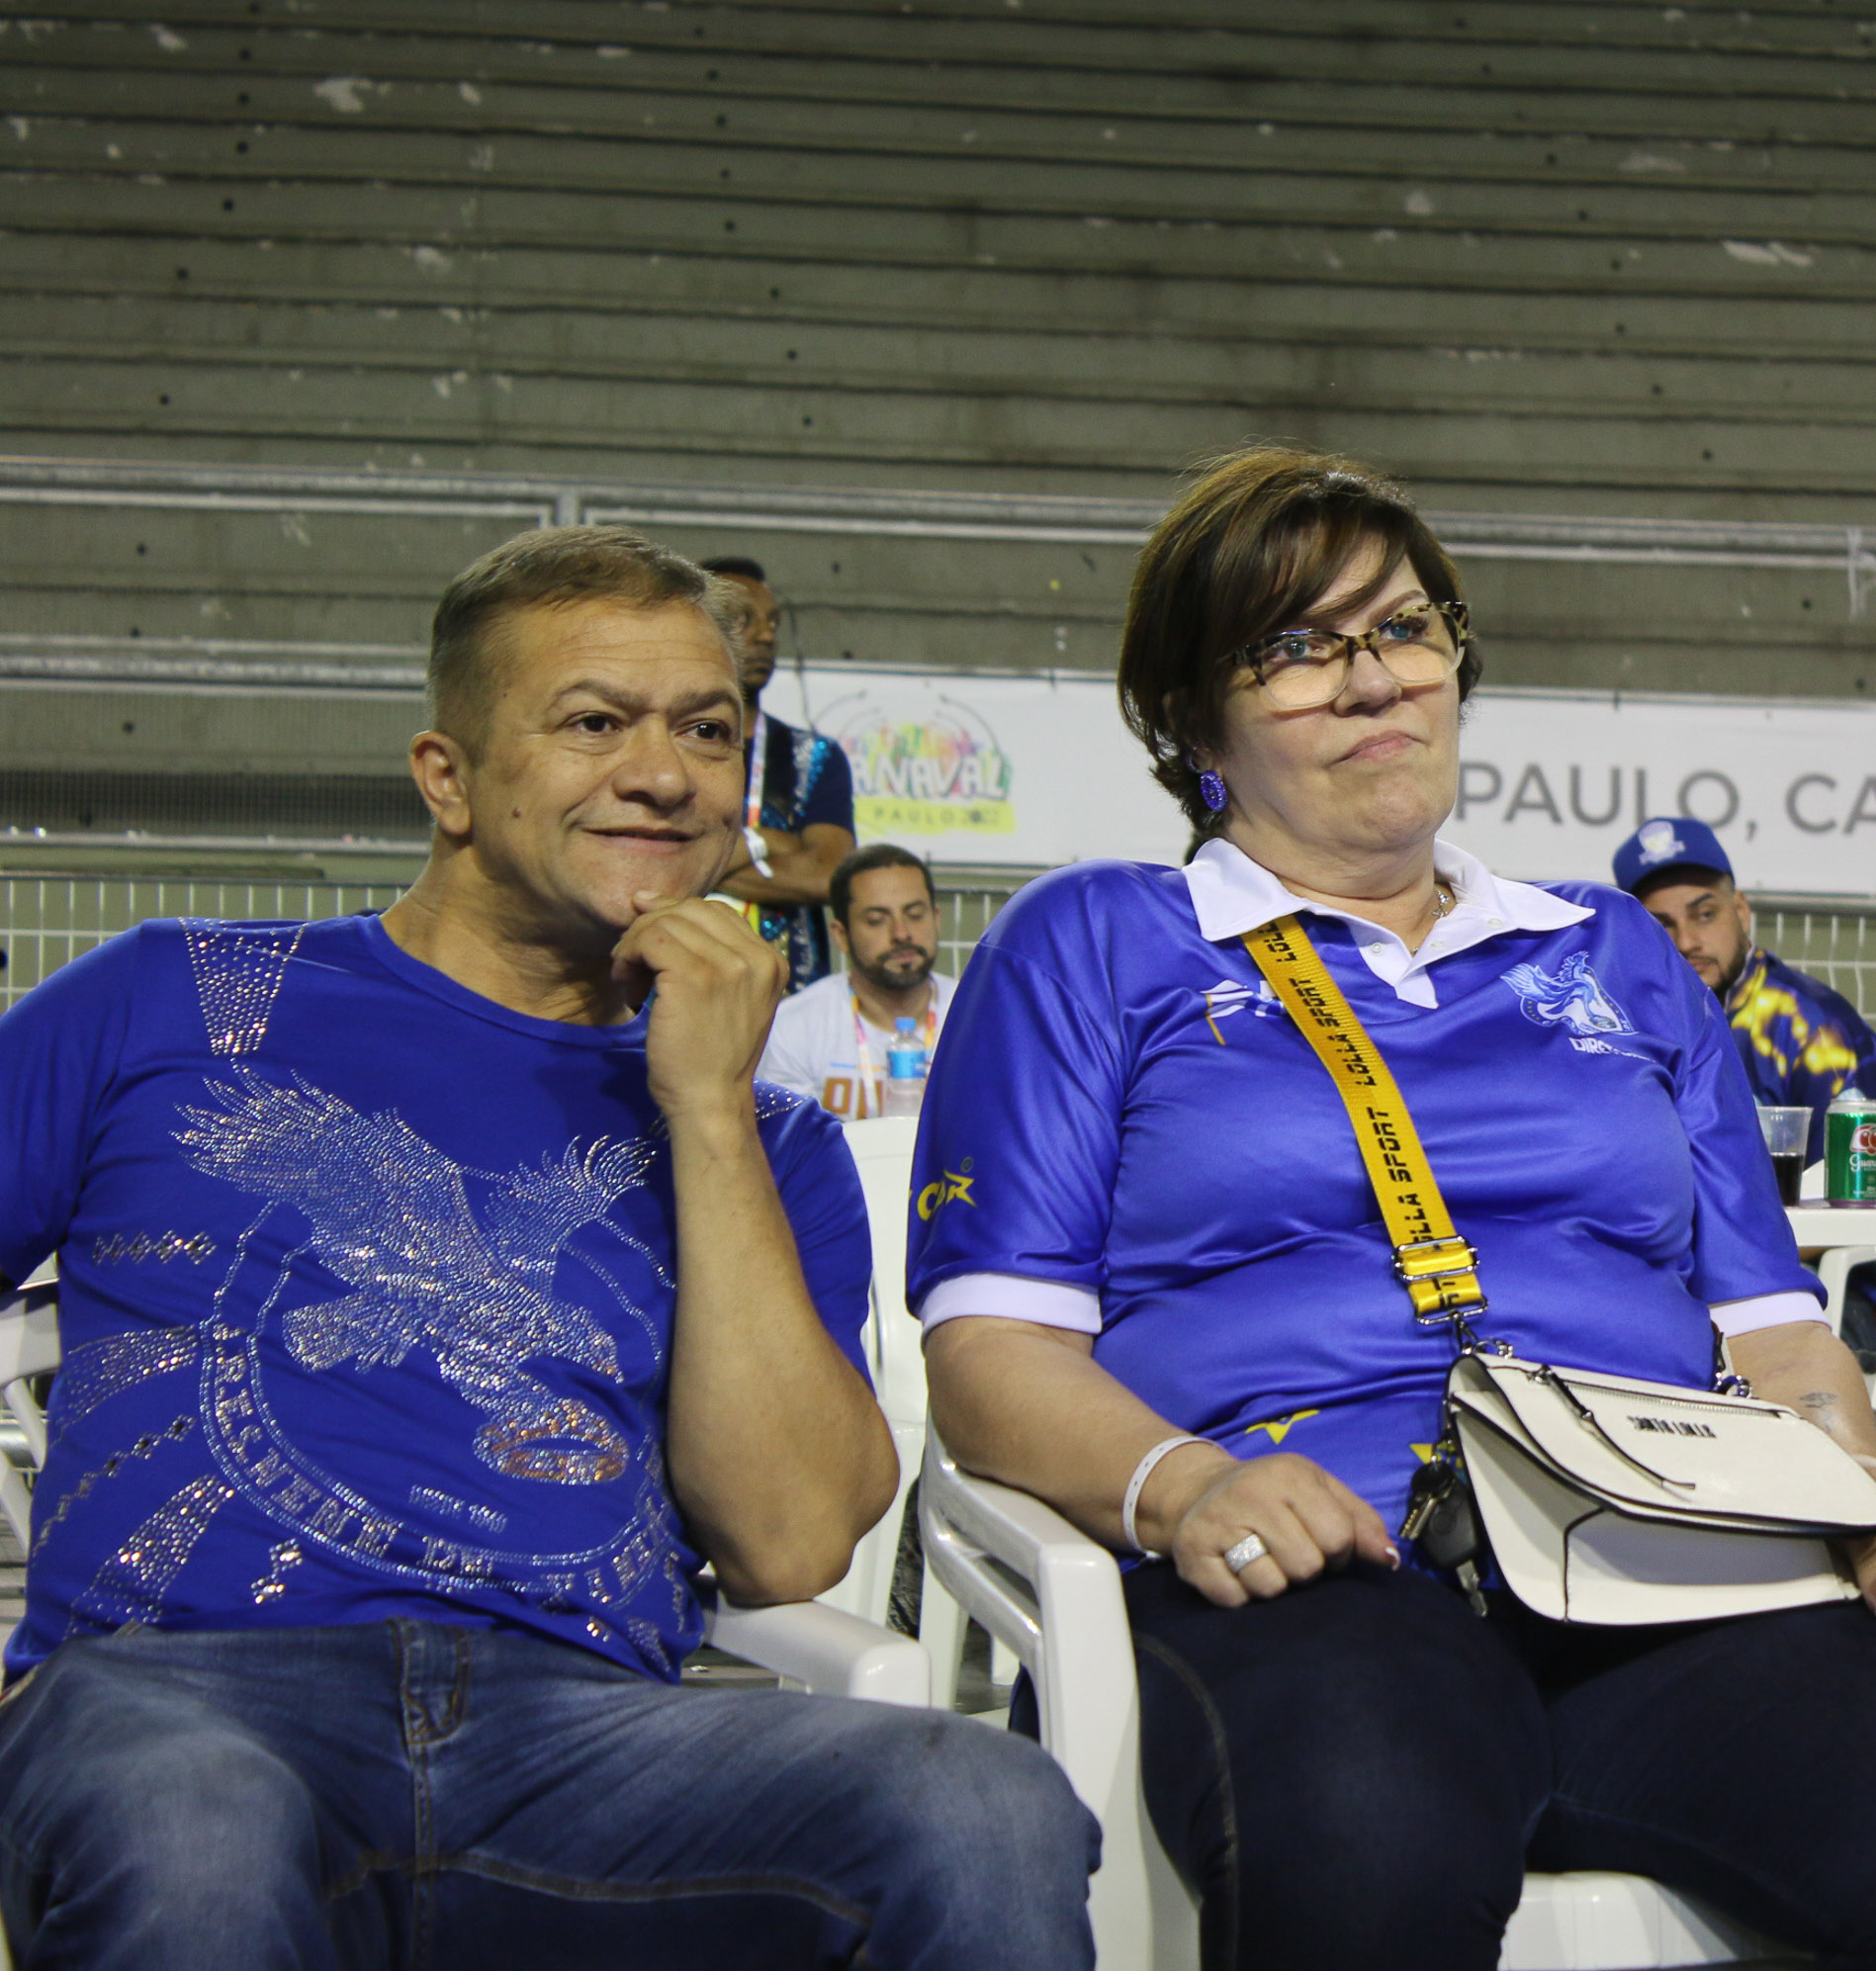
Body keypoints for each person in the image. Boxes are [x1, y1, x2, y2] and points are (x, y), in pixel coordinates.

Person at [912, 449, 1876, 1971]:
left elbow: (1778, 1333)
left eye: (1406, 631)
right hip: (1307, 1569)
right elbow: (990, 1359)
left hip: (1663, 1556)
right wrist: (1185, 1486)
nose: (1372, 682)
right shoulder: (1095, 942)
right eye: (1297, 648)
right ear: (1190, 716)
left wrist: (1855, 1484)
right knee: (1367, 1828)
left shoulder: (1614, 954)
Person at [0, 527, 1095, 1970]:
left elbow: (785, 1543)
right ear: (445, 778)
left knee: (981, 1801)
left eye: (707, 730)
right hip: (187, 1694)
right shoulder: (178, 999)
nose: (664, 773)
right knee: (193, 1824)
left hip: (591, 1736)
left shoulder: (771, 1140)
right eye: (593, 723)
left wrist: (702, 1105)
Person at [1611, 815, 1876, 1110]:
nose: (1686, 942)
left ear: (1741, 911)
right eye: (1661, 925)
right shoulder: (1623, 1028)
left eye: (1705, 914)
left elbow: (1851, 1155)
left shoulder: (1815, 1029)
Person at [702, 556, 857, 991]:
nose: (766, 635)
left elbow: (828, 874)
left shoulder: (813, 757)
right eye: (743, 620)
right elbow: (643, 872)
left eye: (772, 621)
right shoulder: (663, 749)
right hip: (669, 998)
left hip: (790, 1002)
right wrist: (768, 842)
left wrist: (693, 865)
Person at [758, 844, 959, 1120]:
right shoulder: (792, 1026)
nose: (901, 933)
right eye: (876, 920)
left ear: (936, 919)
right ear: (841, 935)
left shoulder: (982, 1017)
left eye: (915, 915)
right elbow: (791, 1149)